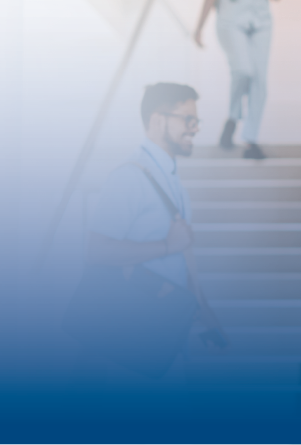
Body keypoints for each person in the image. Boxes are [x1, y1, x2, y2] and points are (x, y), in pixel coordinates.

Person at [66, 83, 225, 383]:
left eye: (196, 120)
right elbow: (96, 251)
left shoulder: (173, 182)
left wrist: (205, 314)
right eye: (187, 119)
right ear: (157, 120)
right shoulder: (129, 177)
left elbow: (182, 256)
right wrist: (165, 245)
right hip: (130, 341)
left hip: (161, 335)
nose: (195, 128)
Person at [194, 0, 289, 160]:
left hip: (260, 20)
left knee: (260, 80)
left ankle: (251, 139)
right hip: (231, 18)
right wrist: (199, 28)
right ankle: (233, 117)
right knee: (243, 70)